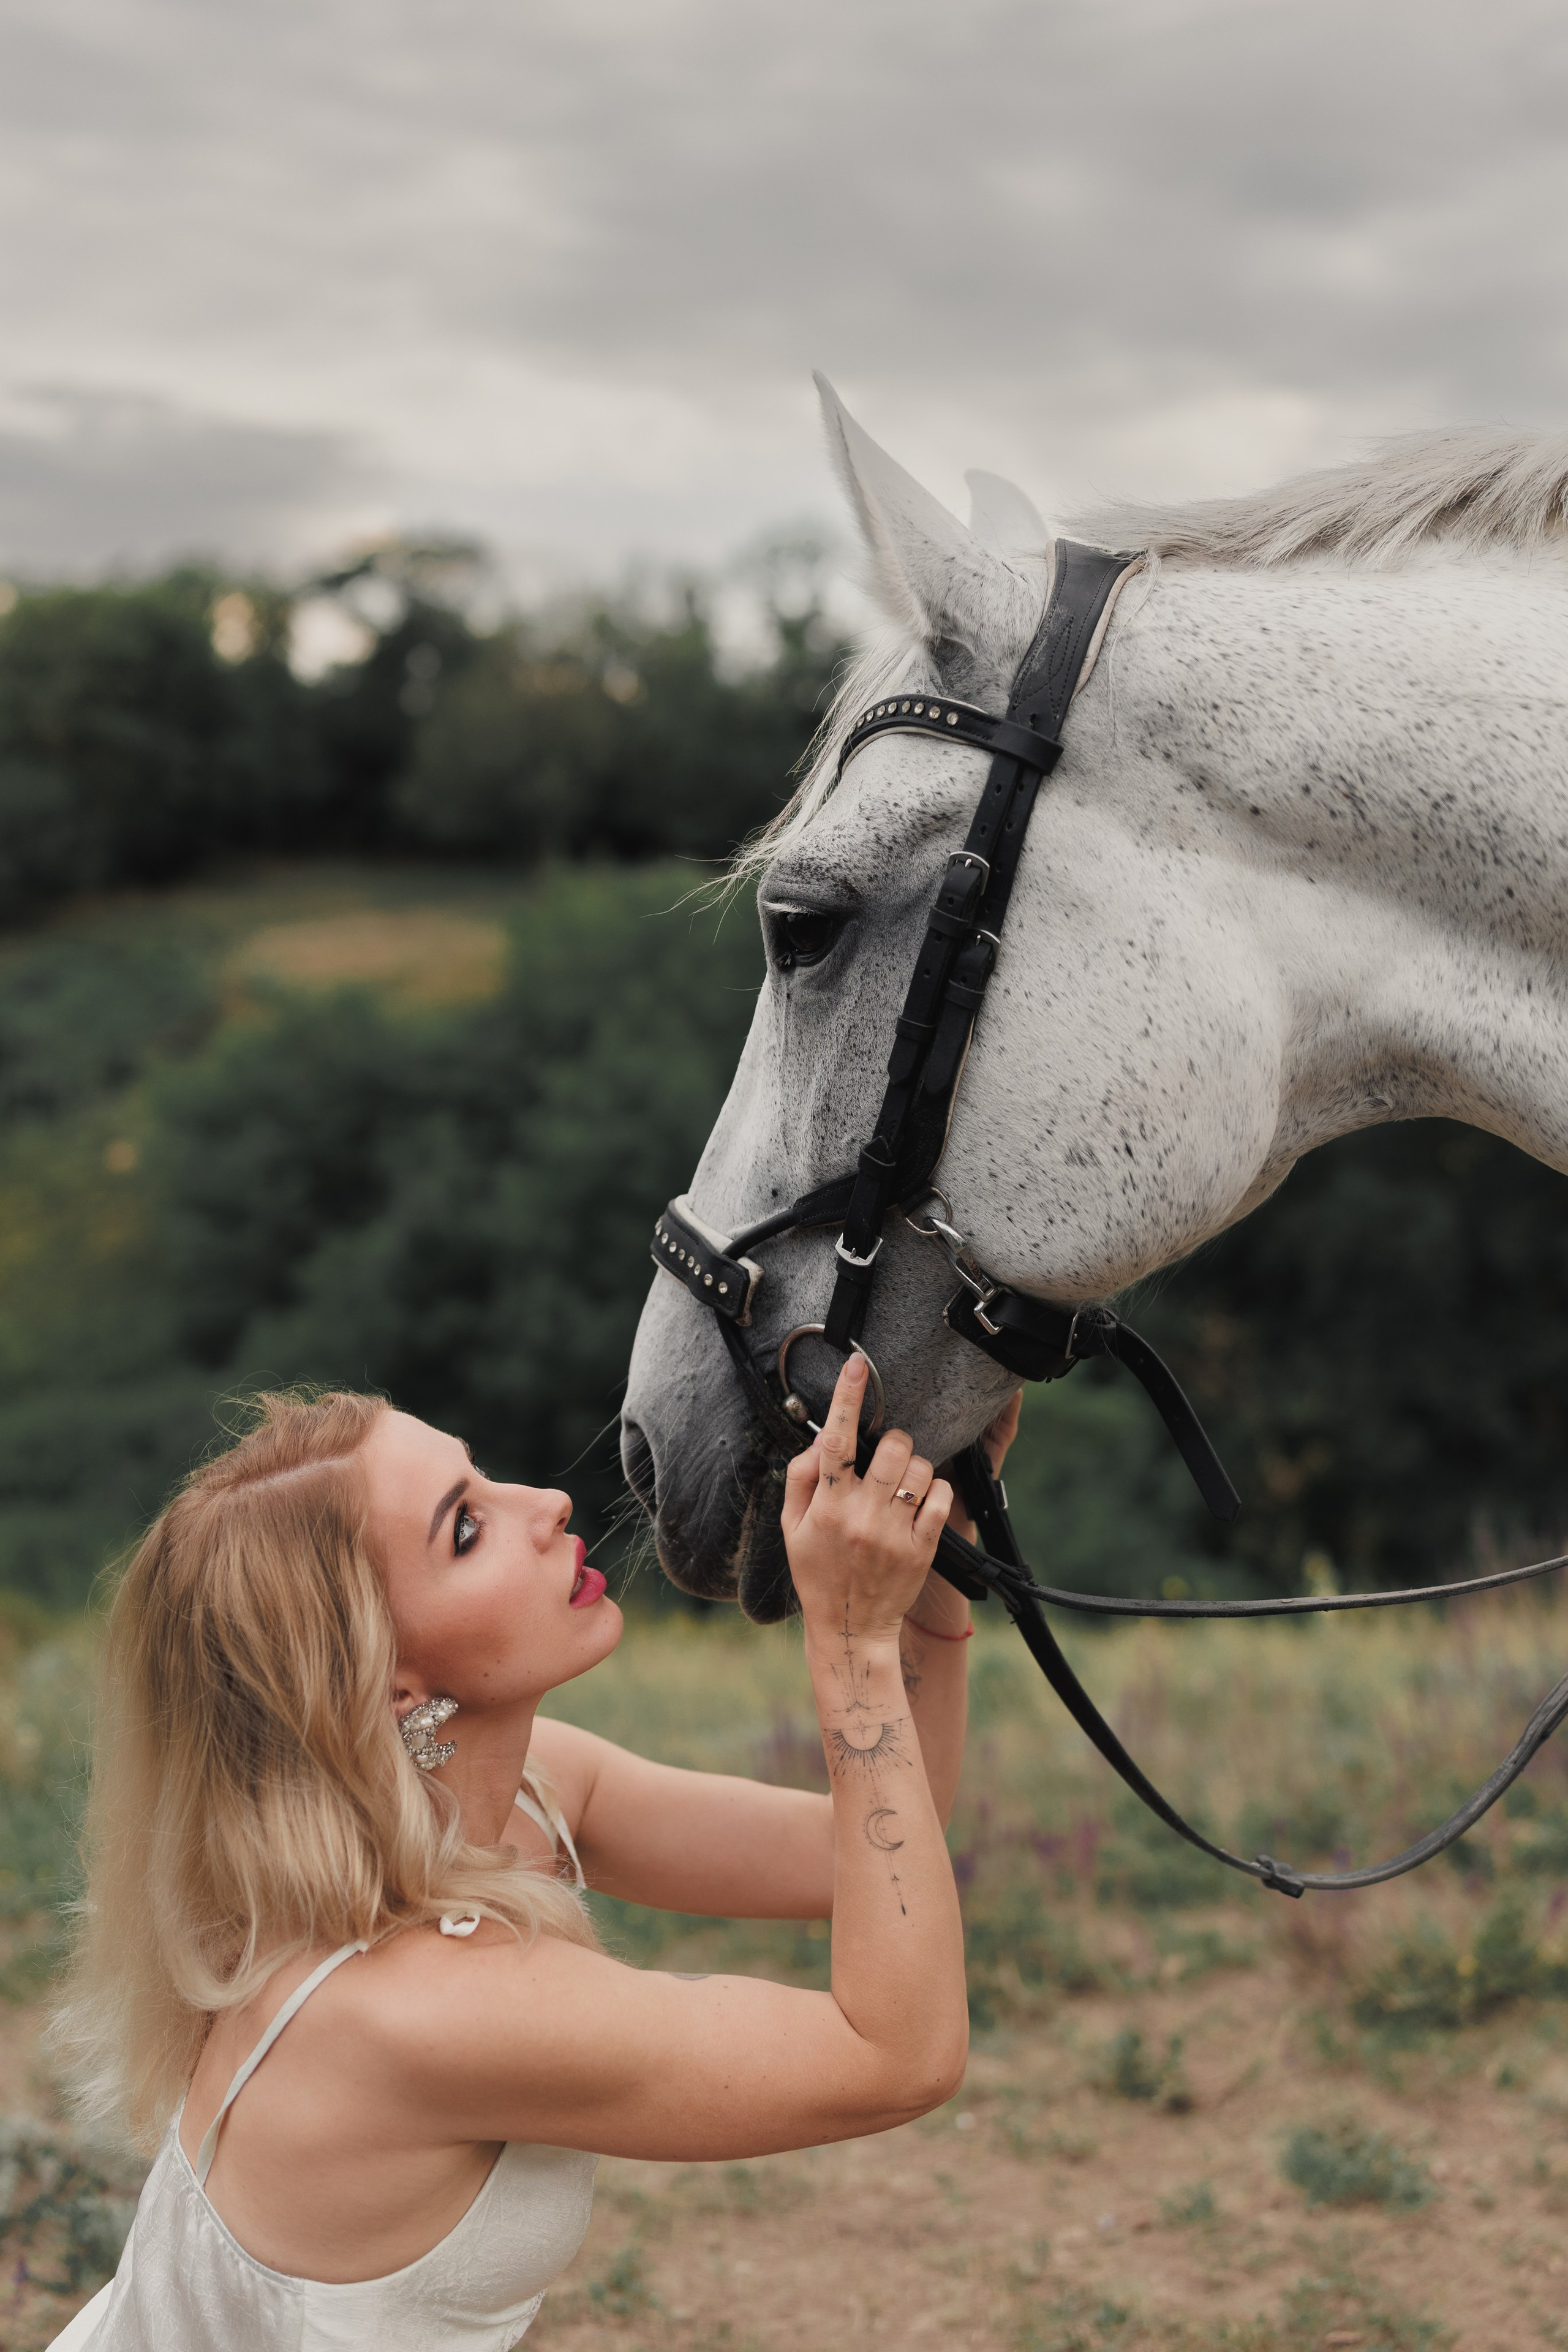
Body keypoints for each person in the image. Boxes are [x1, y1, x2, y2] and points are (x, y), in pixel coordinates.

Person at [47, 1357, 1020, 2349]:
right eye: (466, 1529)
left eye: (483, 1476)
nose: (548, 1502)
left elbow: (867, 1848)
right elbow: (896, 2056)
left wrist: (938, 1563)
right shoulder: (420, 2007)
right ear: (382, 1681)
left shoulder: (515, 1793)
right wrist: (849, 1644)